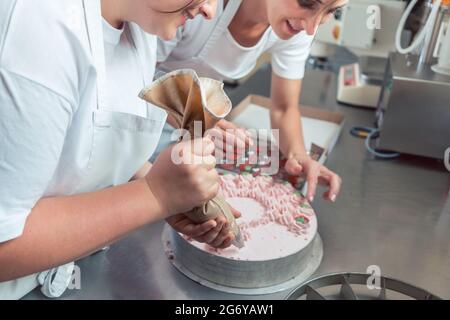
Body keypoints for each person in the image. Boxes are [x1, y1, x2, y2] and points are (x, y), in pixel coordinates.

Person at [0, 0, 230, 299]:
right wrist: (155, 196)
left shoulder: (139, 26)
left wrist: (174, 193)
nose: (210, 11)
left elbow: (88, 145)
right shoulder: (42, 29)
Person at [157, 0, 346, 204]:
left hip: (187, 135)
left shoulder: (297, 28)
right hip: (132, 121)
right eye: (306, 2)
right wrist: (193, 117)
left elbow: (284, 108)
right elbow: (130, 77)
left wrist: (298, 155)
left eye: (331, 11)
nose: (311, 28)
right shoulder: (198, 4)